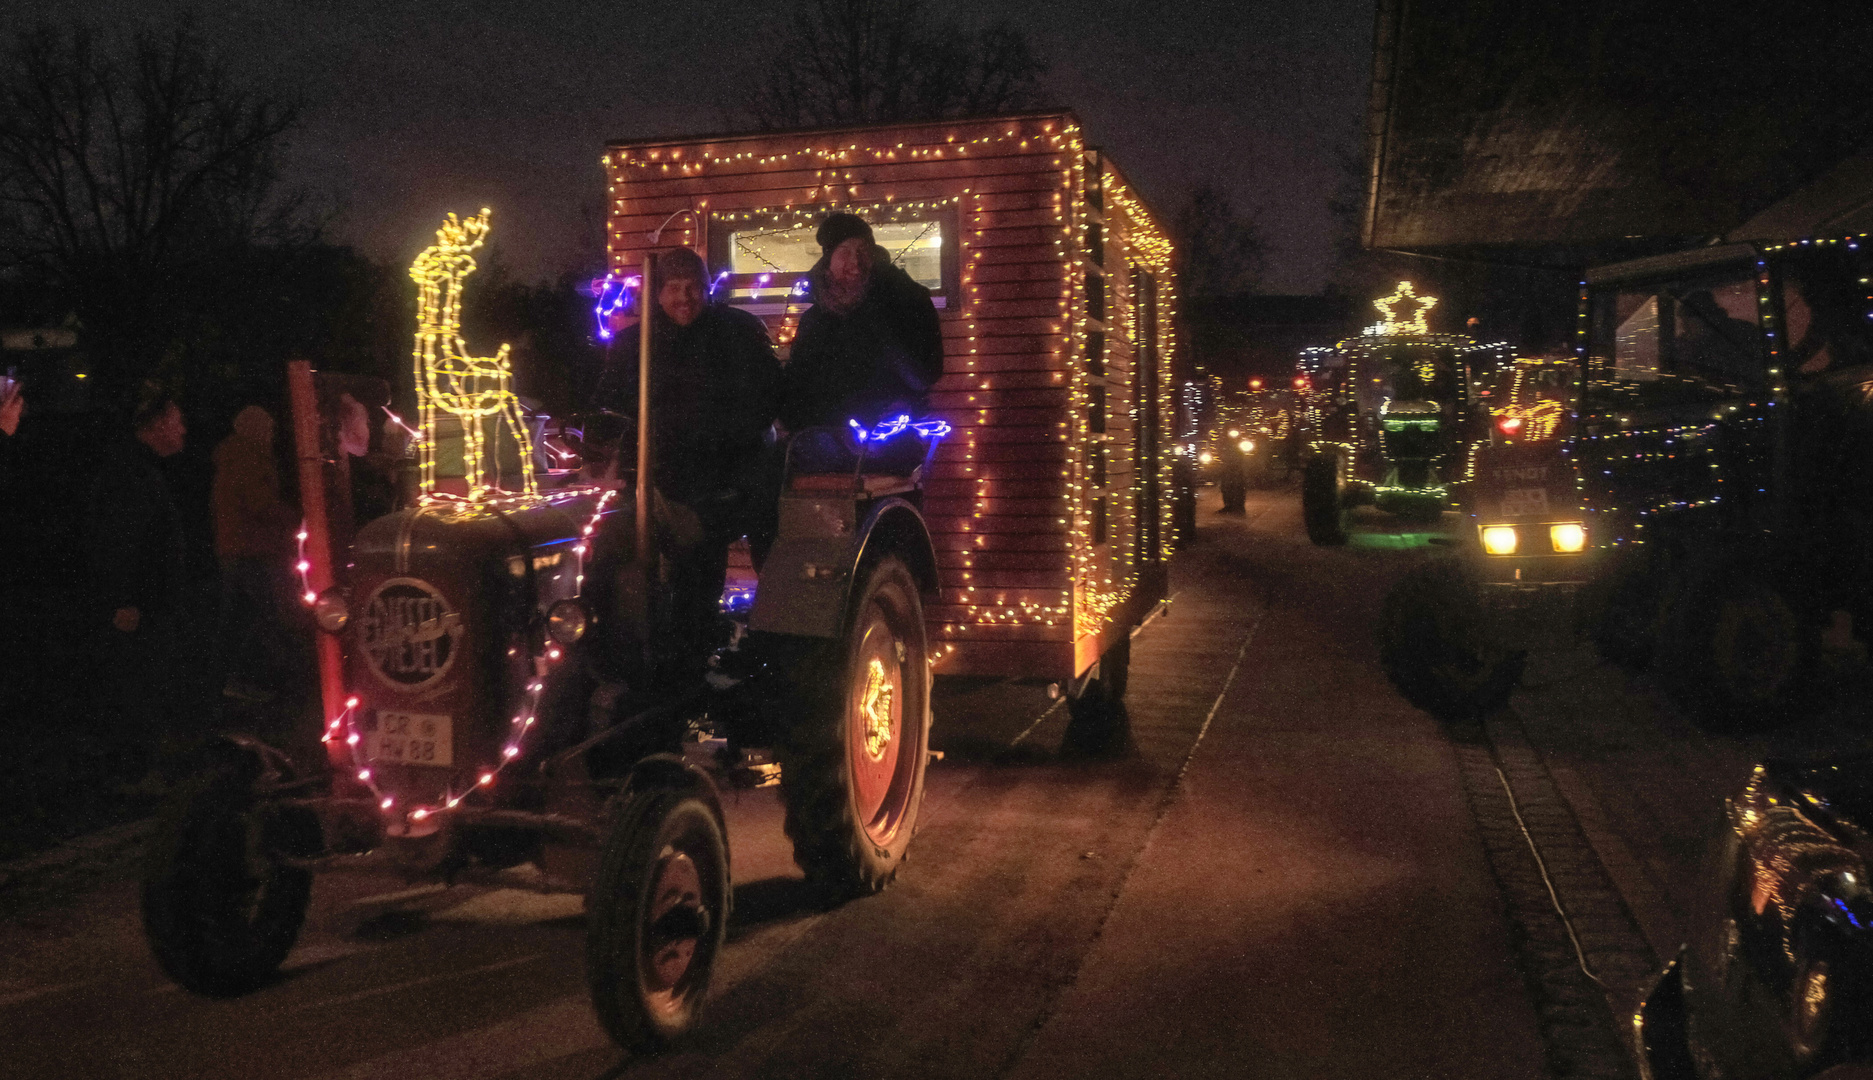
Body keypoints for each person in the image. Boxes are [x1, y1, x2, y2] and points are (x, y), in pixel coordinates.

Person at [591, 247, 780, 688]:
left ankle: (687, 672)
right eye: (673, 288)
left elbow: (764, 403)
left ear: (706, 287)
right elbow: (607, 412)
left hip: (719, 484)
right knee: (606, 559)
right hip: (649, 484)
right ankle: (612, 659)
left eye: (692, 286)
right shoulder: (632, 345)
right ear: (658, 294)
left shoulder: (738, 335)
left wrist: (720, 448)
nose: (684, 297)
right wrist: (598, 462)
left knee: (697, 562)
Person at [780, 212, 944, 473]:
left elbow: (923, 374)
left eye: (862, 250)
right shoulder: (815, 320)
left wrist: (879, 320)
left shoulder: (905, 304)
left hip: (892, 448)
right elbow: (800, 390)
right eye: (844, 251)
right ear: (828, 259)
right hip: (829, 452)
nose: (855, 262)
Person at [86, 383, 190, 785]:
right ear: (160, 423)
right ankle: (133, 772)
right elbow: (120, 540)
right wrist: (125, 599)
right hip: (139, 608)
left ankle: (136, 765)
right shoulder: (131, 475)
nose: (183, 430)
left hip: (146, 603)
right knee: (138, 685)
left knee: (142, 684)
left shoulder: (137, 470)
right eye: (177, 421)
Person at [212, 405, 304, 703]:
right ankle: (272, 681)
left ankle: (234, 680)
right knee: (264, 615)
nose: (272, 434)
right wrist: (296, 518)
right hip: (250, 549)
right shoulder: (247, 457)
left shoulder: (235, 455)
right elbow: (258, 502)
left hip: (237, 547)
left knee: (243, 617)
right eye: (268, 428)